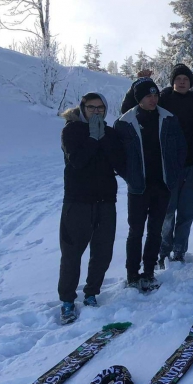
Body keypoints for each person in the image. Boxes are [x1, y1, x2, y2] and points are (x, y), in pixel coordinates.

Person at [57, 93, 126, 324]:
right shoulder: (72, 130)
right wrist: (93, 139)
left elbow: (119, 162)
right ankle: (67, 300)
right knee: (71, 253)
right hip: (77, 202)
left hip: (106, 201)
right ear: (83, 108)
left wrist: (103, 138)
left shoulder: (110, 133)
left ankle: (91, 294)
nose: (96, 112)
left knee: (103, 251)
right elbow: (77, 161)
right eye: (91, 108)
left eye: (100, 108)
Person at [114, 78, 187, 291]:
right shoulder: (125, 123)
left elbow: (180, 149)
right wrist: (130, 176)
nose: (153, 99)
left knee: (155, 231)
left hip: (162, 185)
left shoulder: (169, 119)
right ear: (139, 99)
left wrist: (173, 174)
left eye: (155, 95)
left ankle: (148, 272)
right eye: (148, 96)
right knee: (135, 231)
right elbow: (117, 157)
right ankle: (132, 274)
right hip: (138, 188)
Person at [158, 64, 193, 265]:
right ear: (173, 82)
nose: (182, 82)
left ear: (191, 82)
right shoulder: (163, 100)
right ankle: (163, 250)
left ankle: (179, 250)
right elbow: (134, 106)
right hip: (169, 166)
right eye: (178, 79)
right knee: (168, 211)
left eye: (186, 79)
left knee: (186, 211)